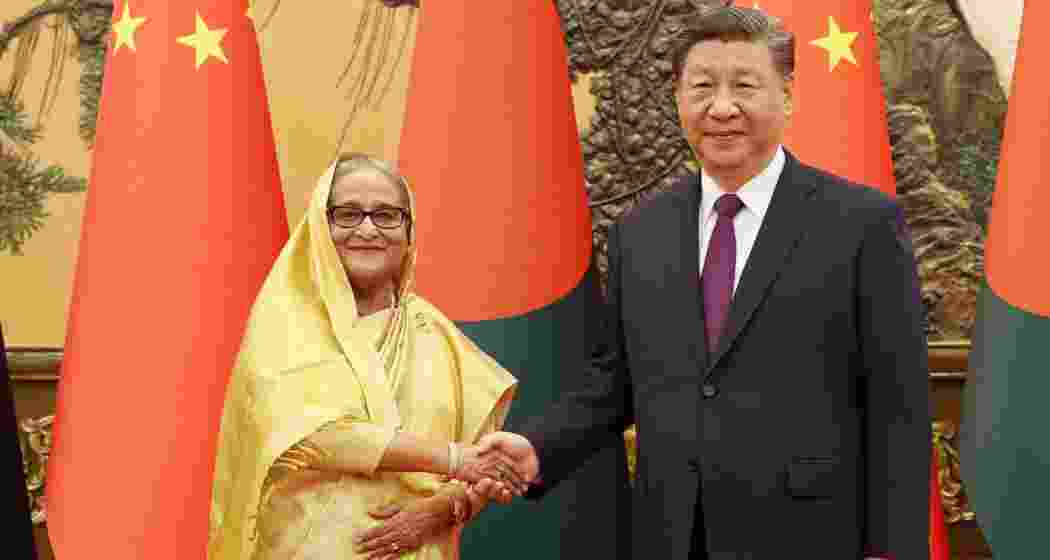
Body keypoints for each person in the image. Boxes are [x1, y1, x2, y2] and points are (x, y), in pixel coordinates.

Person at [477, 7, 930, 559]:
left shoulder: (861, 223)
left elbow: (898, 404)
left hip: (810, 535)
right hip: (672, 536)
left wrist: (892, 550)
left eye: (744, 86)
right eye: (702, 87)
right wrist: (537, 448)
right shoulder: (639, 233)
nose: (721, 107)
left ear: (787, 95)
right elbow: (615, 382)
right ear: (678, 98)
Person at [207, 154, 525, 560]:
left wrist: (443, 508)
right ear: (321, 227)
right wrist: (452, 458)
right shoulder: (285, 324)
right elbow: (312, 436)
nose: (368, 229)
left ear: (409, 233)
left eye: (386, 215)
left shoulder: (438, 337)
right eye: (348, 214)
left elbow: (483, 467)